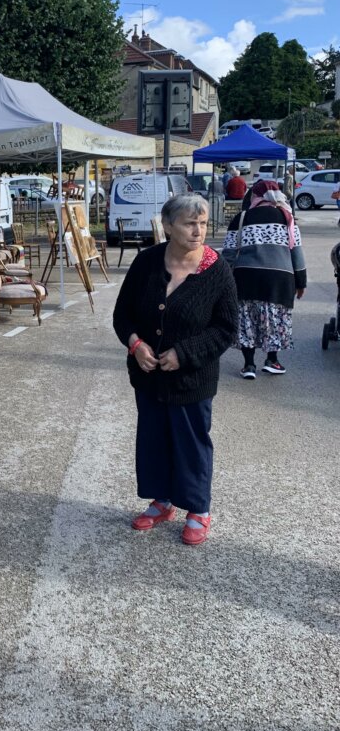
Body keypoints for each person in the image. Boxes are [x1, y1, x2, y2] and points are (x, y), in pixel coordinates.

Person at [113, 194, 238, 546]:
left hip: (191, 379)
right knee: (153, 439)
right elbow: (122, 315)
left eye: (202, 222)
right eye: (189, 223)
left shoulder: (217, 270)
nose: (198, 230)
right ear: (167, 226)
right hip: (148, 376)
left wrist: (184, 353)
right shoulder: (146, 263)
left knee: (191, 443)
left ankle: (198, 509)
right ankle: (162, 501)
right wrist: (136, 345)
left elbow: (227, 329)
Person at [222, 179, 307, 378]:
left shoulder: (241, 218)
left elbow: (228, 254)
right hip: (279, 279)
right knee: (275, 319)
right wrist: (301, 282)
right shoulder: (288, 218)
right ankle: (272, 360)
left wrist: (222, 282)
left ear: (255, 196)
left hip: (246, 277)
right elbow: (297, 254)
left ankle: (249, 365)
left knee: (246, 321)